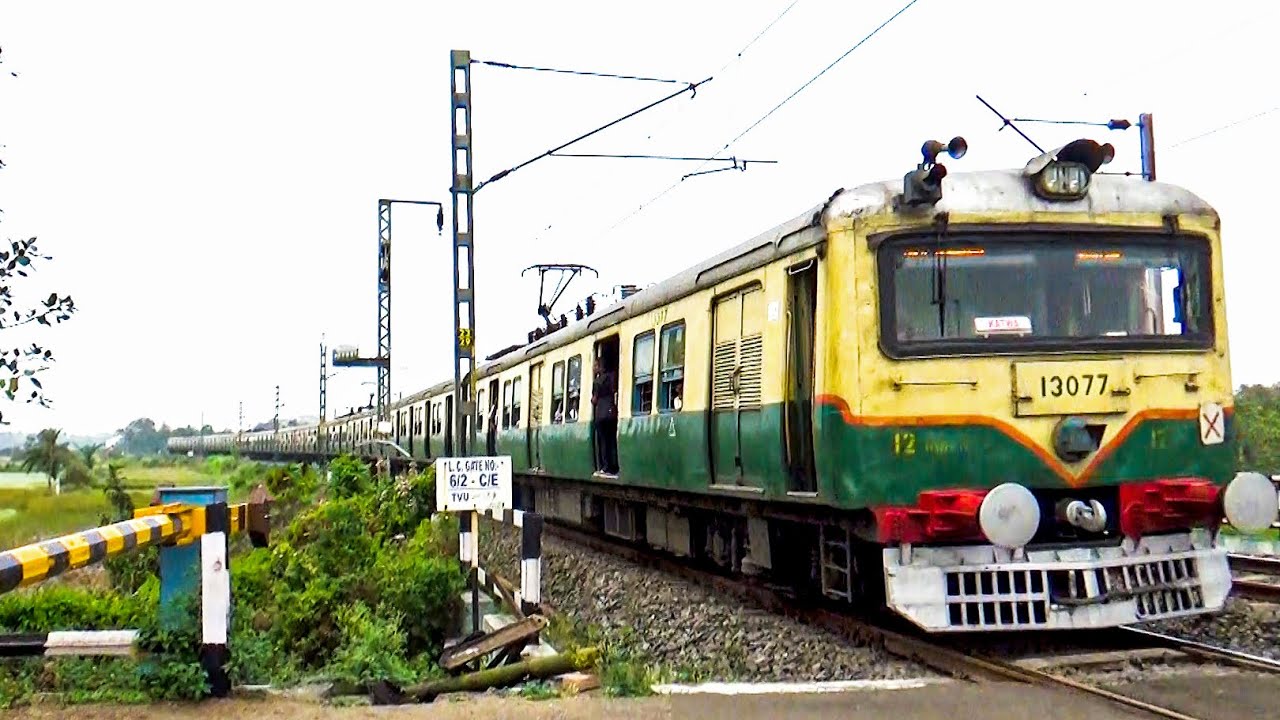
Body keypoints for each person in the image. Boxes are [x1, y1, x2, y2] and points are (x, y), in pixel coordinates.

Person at [591, 356, 618, 474]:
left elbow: (594, 399)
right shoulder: (612, 377)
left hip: (601, 414)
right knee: (612, 440)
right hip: (611, 412)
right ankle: (614, 466)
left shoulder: (597, 381)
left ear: (600, 367)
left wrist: (592, 400)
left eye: (595, 366)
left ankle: (605, 467)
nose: (593, 368)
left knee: (603, 441)